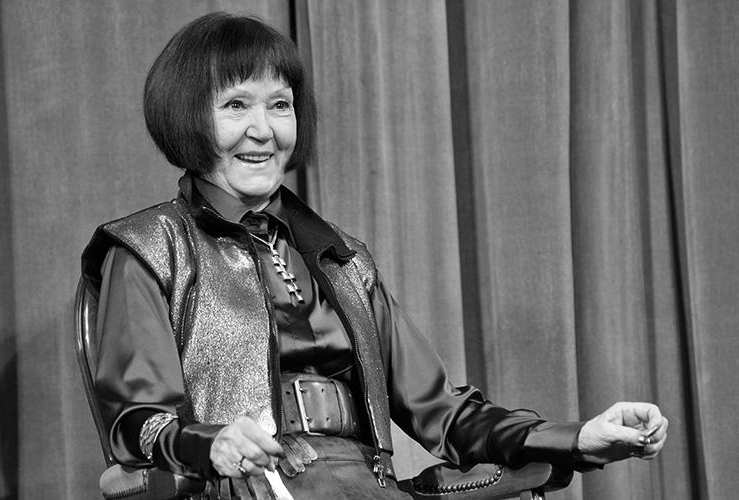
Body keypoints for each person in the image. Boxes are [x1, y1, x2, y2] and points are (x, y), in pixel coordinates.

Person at [81, 12, 668, 499]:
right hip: (244, 489)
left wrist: (578, 438)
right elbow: (137, 423)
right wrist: (211, 444)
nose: (263, 130)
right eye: (236, 105)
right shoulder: (149, 247)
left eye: (280, 105)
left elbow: (441, 411)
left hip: (369, 484)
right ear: (187, 116)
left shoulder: (342, 257)